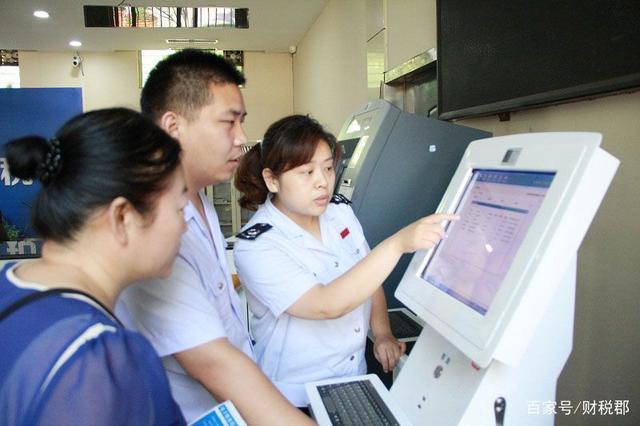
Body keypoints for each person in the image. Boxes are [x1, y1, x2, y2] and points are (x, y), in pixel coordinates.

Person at [116, 49, 315, 424]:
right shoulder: (153, 224)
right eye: (229, 122)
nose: (242, 138)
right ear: (173, 125)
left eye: (242, 122)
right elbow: (213, 365)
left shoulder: (199, 200)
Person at [233, 114, 455, 407]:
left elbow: (367, 276)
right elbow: (326, 305)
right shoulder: (257, 245)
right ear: (272, 179)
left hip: (352, 378)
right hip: (295, 396)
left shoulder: (338, 212)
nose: (323, 182)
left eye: (328, 168)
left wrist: (383, 333)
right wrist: (398, 243)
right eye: (306, 172)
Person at [0, 108, 187, 425]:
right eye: (180, 208)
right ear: (122, 217)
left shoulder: (9, 287)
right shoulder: (101, 360)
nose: (184, 226)